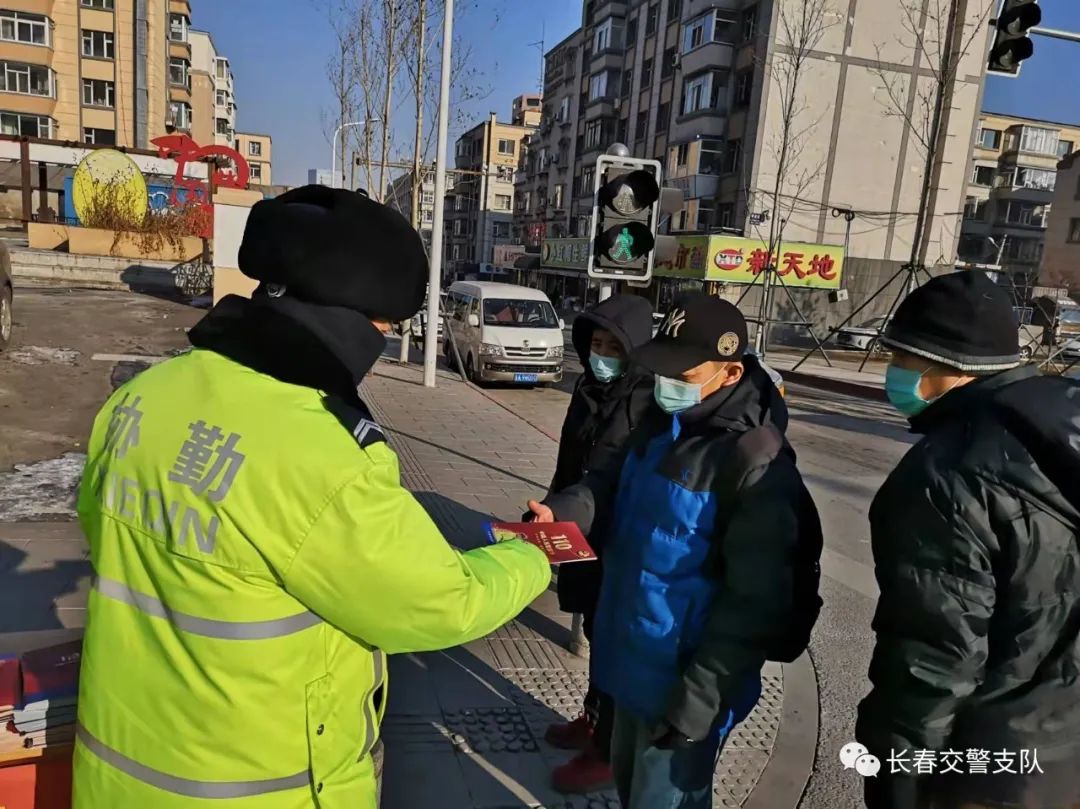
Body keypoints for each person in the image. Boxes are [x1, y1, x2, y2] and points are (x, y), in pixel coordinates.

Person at [72, 186, 551, 809]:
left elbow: (99, 523)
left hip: (116, 770)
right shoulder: (323, 452)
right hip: (254, 786)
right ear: (349, 322)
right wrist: (533, 556)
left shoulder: (143, 396)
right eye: (385, 329)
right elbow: (439, 604)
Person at [529, 292, 822, 809]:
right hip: (627, 665)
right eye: (662, 369)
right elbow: (605, 484)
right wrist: (564, 512)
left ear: (729, 374)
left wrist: (698, 707)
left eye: (683, 376)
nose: (666, 385)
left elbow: (753, 607)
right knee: (630, 790)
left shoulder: (753, 464)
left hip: (681, 690)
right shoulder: (660, 427)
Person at [856, 271, 1080, 809]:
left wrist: (899, 779)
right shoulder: (1060, 427)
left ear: (952, 368)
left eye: (905, 360)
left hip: (987, 769)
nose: (893, 373)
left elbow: (934, 658)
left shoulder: (948, 475)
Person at [543, 293, 656, 794]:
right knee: (591, 622)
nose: (601, 353)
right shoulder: (587, 387)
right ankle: (592, 720)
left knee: (612, 640)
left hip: (620, 536)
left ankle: (608, 749)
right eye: (595, 342)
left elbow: (619, 477)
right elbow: (571, 462)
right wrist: (550, 511)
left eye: (614, 344)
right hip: (579, 526)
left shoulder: (650, 400)